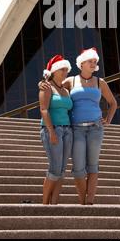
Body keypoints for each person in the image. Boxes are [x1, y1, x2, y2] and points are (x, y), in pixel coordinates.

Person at [39, 48, 117, 205]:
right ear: (82, 63)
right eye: (90, 61)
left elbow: (113, 102)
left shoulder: (99, 82)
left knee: (92, 166)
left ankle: (88, 203)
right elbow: (53, 84)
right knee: (77, 168)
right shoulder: (71, 81)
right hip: (76, 129)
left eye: (95, 62)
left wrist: (107, 121)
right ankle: (82, 201)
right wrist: (41, 82)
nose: (94, 64)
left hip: (94, 128)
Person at [39, 55, 73, 205]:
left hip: (68, 130)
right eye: (62, 69)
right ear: (54, 70)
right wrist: (51, 131)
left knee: (62, 170)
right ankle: (45, 204)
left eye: (67, 69)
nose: (65, 72)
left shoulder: (65, 88)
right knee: (55, 168)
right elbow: (44, 110)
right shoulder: (47, 87)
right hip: (54, 130)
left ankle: (54, 203)